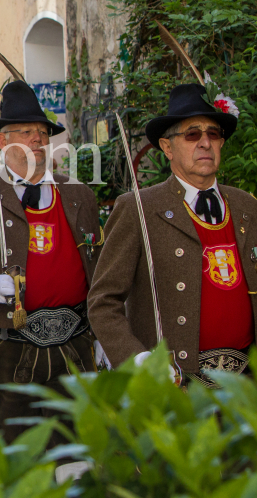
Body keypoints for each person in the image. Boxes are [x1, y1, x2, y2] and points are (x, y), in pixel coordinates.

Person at [0, 80, 99, 443]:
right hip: (8, 349)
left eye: (42, 133)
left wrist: (103, 329)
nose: (36, 141)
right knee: (17, 450)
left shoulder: (78, 195)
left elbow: (98, 265)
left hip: (74, 344)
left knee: (77, 448)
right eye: (25, 132)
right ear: (2, 141)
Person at [89, 83, 257, 386]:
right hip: (176, 383)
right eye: (192, 134)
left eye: (213, 134)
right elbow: (103, 301)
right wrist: (136, 358)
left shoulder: (247, 205)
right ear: (168, 147)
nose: (205, 142)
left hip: (246, 382)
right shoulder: (138, 208)